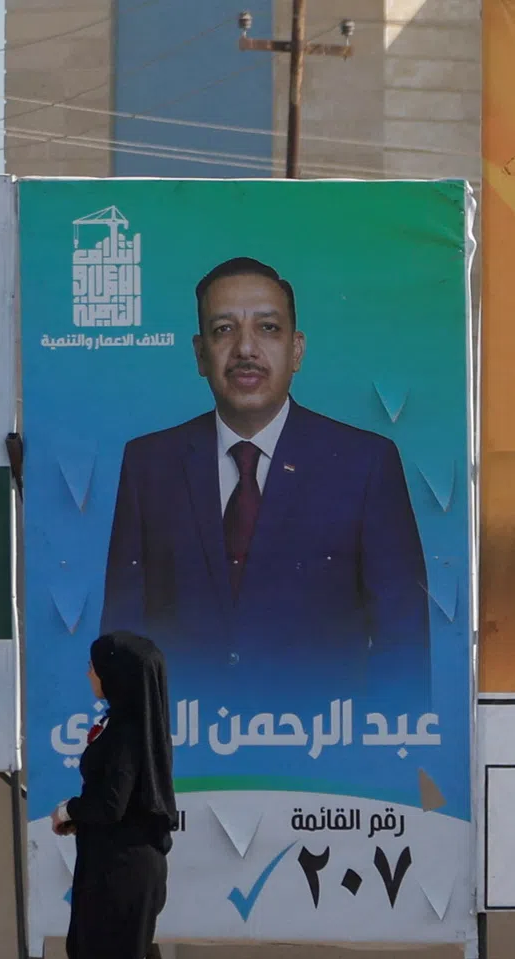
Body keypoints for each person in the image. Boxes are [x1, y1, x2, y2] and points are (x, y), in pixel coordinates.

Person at [100, 257, 431, 706]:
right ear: (200, 354)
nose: (245, 350)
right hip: (184, 754)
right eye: (224, 330)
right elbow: (122, 638)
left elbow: (403, 643)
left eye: (268, 329)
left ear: (297, 350)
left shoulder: (365, 464)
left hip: (323, 754)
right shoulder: (149, 464)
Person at [52, 631, 225, 959]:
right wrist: (79, 821)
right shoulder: (123, 726)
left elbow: (108, 805)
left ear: (118, 674)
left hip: (124, 867)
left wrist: (70, 810)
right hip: (110, 860)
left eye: (94, 665)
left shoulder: (128, 732)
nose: (89, 674)